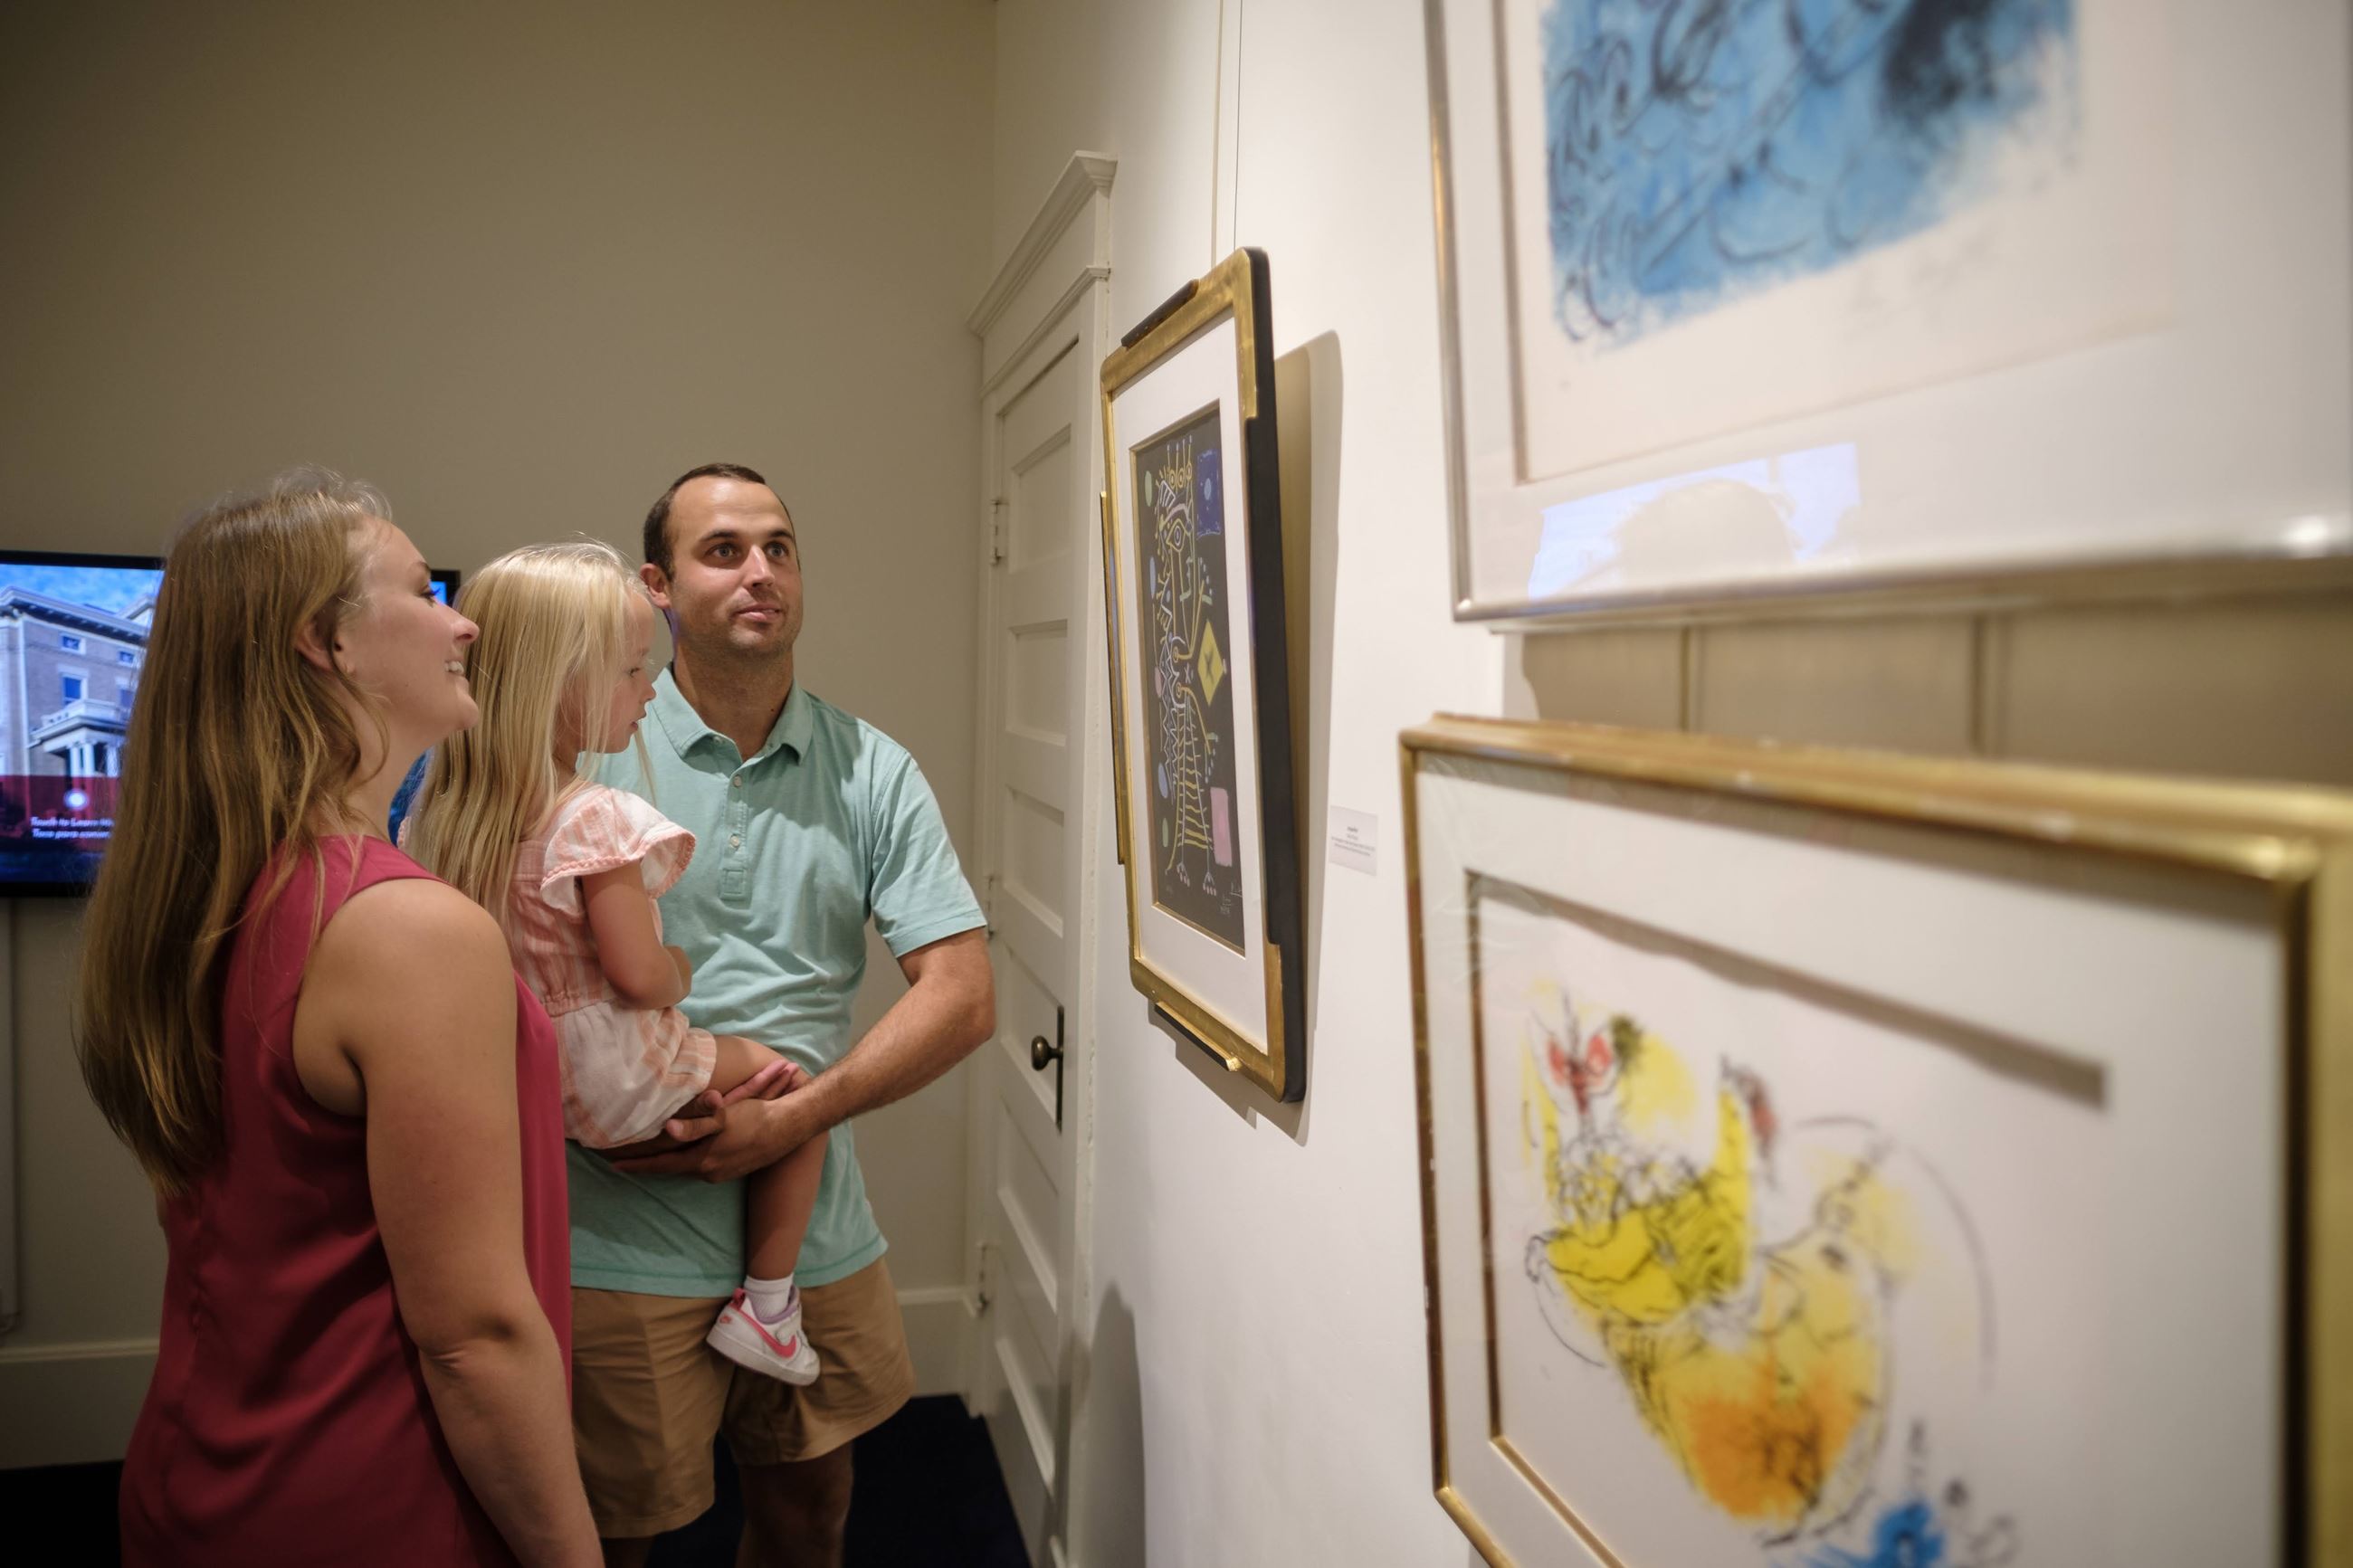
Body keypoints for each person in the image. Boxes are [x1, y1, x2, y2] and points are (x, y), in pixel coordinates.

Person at [74, 470, 599, 1565]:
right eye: (423, 589)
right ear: (330, 642)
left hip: (202, 1469)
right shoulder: (407, 930)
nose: (463, 620)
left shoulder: (215, 891)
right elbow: (474, 1337)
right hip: (372, 1502)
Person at [563, 463, 995, 1566]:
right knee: (607, 1540)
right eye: (722, 550)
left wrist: (798, 1117)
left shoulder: (871, 767)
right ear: (657, 585)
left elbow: (961, 995)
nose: (760, 570)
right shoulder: (584, 741)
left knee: (810, 1519)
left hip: (811, 1235)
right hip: (615, 1229)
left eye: (779, 546)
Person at [404, 540, 826, 1383]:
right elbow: (637, 977)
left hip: (521, 1082)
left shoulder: (441, 815)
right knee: (798, 1087)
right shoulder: (596, 818)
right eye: (634, 670)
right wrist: (680, 969)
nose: (648, 691)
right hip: (617, 1076)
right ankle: (771, 1308)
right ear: (564, 682)